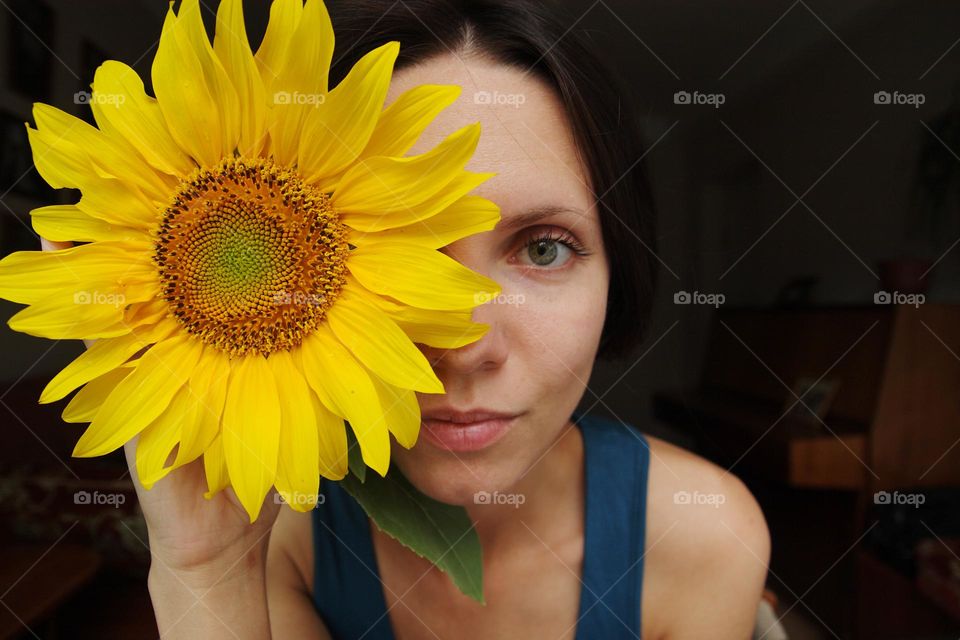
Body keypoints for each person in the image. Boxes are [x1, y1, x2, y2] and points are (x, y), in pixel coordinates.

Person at [44, 1, 770, 637]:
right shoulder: (286, 531)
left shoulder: (703, 534)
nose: (465, 344)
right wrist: (208, 569)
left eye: (543, 248)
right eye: (409, 253)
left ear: (623, 267)